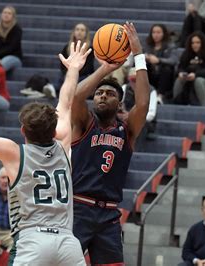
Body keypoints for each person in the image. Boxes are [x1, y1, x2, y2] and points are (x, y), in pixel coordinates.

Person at [0, 40, 91, 265]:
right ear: (54, 129)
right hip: (68, 243)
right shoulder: (63, 145)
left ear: (23, 130)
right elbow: (66, 103)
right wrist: (73, 69)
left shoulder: (14, 153)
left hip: (33, 241)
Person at [70, 22, 150, 265]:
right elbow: (75, 96)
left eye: (110, 94)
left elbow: (144, 103)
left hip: (109, 215)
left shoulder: (127, 129)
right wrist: (104, 69)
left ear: (120, 103)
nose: (102, 95)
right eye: (99, 93)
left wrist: (138, 55)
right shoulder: (84, 123)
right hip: (78, 210)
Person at [173, 31, 205, 106]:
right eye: (193, 43)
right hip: (189, 78)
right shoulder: (187, 53)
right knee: (179, 79)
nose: (195, 45)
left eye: (197, 43)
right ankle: (176, 105)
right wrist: (181, 73)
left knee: (198, 81)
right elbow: (181, 67)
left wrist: (196, 74)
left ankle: (202, 107)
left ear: (202, 43)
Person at [121, 67, 158, 140]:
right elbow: (118, 106)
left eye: (137, 80)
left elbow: (151, 115)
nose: (135, 83)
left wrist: (133, 117)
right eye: (132, 80)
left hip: (144, 121)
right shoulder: (124, 88)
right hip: (126, 119)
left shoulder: (151, 91)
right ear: (129, 80)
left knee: (139, 125)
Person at [144, 24, 177, 102]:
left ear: (164, 34)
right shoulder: (147, 46)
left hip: (164, 77)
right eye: (154, 32)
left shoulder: (170, 46)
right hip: (151, 73)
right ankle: (145, 94)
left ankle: (160, 96)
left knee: (166, 69)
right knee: (144, 67)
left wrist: (159, 60)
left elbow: (173, 60)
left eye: (158, 32)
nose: (156, 35)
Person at [0, 5, 23, 73]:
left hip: (14, 57)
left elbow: (12, 47)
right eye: (5, 13)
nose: (6, 15)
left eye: (9, 13)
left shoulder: (17, 30)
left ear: (13, 16)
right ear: (1, 15)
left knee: (0, 65)